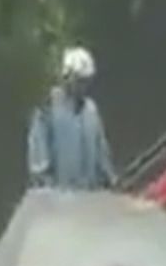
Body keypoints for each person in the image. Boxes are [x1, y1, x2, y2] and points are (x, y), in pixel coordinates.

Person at [27, 46, 116, 191]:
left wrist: (111, 181)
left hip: (89, 199)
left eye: (87, 81)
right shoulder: (47, 109)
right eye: (79, 81)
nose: (84, 86)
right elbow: (39, 164)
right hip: (59, 202)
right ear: (66, 78)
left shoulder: (91, 110)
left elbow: (102, 157)